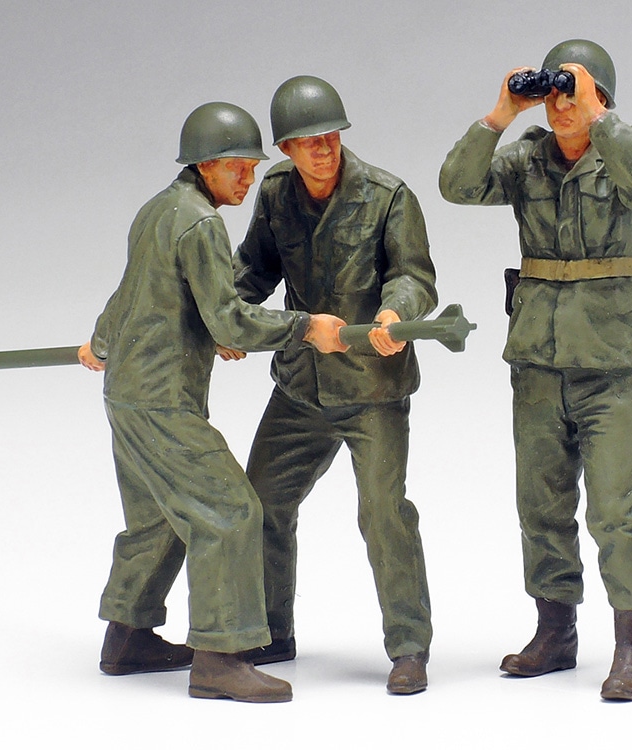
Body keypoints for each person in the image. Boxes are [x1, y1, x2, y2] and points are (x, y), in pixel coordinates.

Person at [78, 102, 348, 703]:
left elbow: (131, 291)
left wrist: (101, 342)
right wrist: (306, 327)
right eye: (236, 169)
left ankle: (128, 638)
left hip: (127, 392)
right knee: (229, 510)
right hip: (164, 399)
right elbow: (227, 317)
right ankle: (221, 659)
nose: (247, 181)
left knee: (160, 517)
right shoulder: (200, 223)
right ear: (204, 165)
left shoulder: (158, 209)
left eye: (252, 169)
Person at [439, 40, 632, 701]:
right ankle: (555, 630)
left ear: (600, 98)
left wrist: (600, 117)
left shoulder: (623, 155)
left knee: (616, 510)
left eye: (574, 93)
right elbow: (457, 186)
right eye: (554, 94)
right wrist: (500, 115)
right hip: (538, 360)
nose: (561, 106)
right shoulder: (527, 159)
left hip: (609, 363)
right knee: (540, 505)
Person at [230, 76, 437, 695]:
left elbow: (414, 276)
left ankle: (408, 647)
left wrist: (396, 314)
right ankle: (271, 631)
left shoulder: (387, 195)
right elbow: (254, 269)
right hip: (300, 384)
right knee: (262, 502)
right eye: (309, 141)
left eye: (331, 137)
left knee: (383, 513)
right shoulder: (275, 193)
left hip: (372, 386)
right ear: (286, 149)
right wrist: (225, 316)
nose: (324, 149)